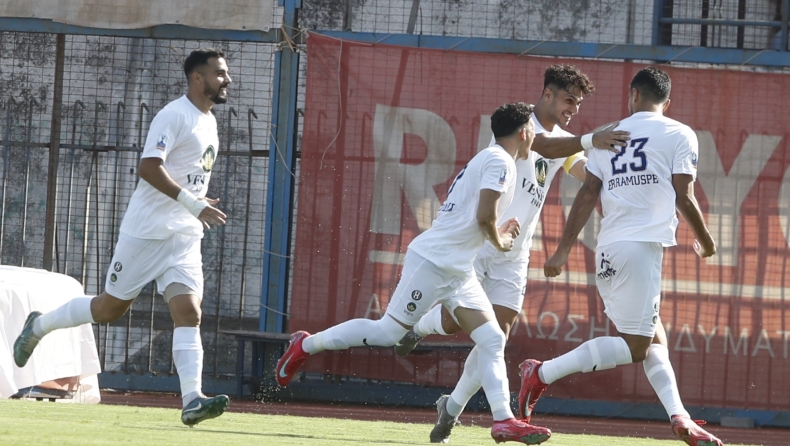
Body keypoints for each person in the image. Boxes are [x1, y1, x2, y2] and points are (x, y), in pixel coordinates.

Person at [277, 102, 553, 444]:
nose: (535, 138)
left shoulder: (493, 158)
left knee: (493, 338)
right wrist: (501, 240)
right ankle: (305, 344)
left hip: (458, 269)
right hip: (433, 263)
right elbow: (483, 217)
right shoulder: (500, 161)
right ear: (524, 132)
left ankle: (503, 421)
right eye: (533, 131)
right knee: (387, 332)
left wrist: (496, 232)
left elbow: (473, 218)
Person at [392, 64, 630, 443]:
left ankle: (451, 407)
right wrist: (590, 139)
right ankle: (420, 328)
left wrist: (625, 176)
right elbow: (546, 147)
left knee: (495, 339)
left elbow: (585, 173)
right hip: (483, 242)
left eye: (578, 104)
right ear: (547, 94)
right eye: (569, 100)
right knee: (453, 324)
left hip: (515, 254)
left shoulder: (565, 140)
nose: (574, 109)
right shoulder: (520, 126)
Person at [13, 48, 232, 427]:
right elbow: (148, 167)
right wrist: (191, 202)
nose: (226, 80)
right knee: (109, 310)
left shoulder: (209, 121)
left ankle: (192, 399)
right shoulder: (174, 114)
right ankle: (39, 325)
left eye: (225, 73)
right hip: (147, 233)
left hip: (183, 236)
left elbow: (189, 173)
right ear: (198, 78)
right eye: (220, 73)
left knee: (189, 313)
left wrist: (195, 205)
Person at [521, 67, 723, 446]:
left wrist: (563, 250)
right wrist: (707, 242)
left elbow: (587, 194)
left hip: (610, 249)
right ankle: (541, 373)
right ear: (667, 102)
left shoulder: (608, 134)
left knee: (654, 336)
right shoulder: (680, 133)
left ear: (633, 95)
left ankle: (680, 418)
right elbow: (684, 196)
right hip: (640, 249)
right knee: (637, 346)